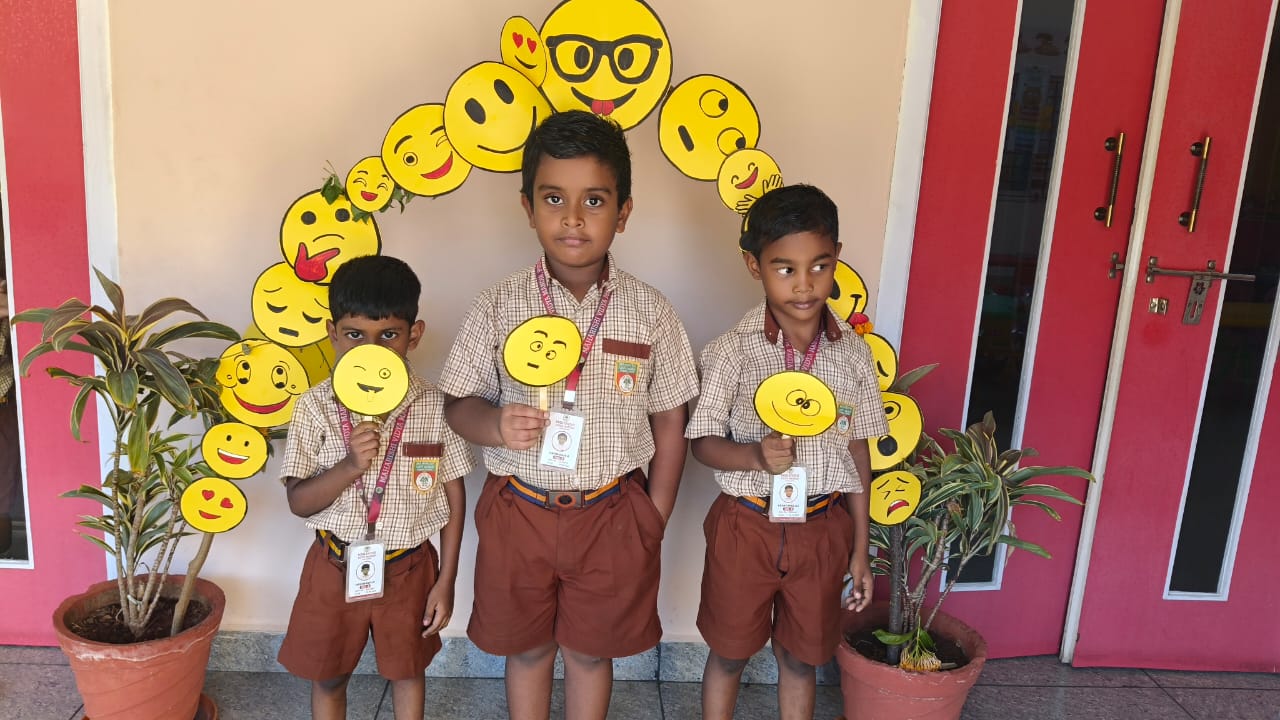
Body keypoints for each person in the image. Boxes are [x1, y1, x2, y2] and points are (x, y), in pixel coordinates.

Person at [440, 109, 698, 720]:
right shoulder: (498, 305)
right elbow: (456, 403)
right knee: (527, 650)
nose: (573, 218)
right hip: (519, 509)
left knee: (589, 653)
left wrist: (653, 516)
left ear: (623, 213)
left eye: (595, 200)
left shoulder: (650, 312)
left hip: (613, 512)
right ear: (527, 207)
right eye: (554, 198)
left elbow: (671, 420)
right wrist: (495, 424)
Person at [686, 184, 888, 720]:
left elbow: (858, 450)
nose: (804, 284)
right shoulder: (732, 351)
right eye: (785, 268)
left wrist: (860, 547)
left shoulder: (854, 355)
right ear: (754, 265)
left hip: (822, 528)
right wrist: (755, 457)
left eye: (819, 266)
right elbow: (702, 442)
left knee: (801, 659)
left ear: (836, 257)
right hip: (745, 527)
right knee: (729, 654)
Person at [277, 255, 471, 720]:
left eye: (388, 335)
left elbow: (454, 493)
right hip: (333, 565)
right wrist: (349, 466)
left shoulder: (434, 405)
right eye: (354, 334)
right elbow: (298, 501)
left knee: (407, 672)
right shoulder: (314, 406)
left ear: (414, 335)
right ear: (332, 333)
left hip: (409, 569)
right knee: (329, 676)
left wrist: (446, 580)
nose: (371, 349)